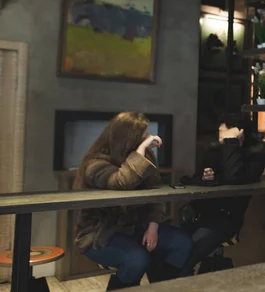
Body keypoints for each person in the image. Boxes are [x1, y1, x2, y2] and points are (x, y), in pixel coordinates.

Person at [73, 112, 192, 290]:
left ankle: (164, 285)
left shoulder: (142, 158)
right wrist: (142, 150)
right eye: (143, 135)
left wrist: (153, 226)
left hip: (137, 227)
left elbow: (155, 196)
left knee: (181, 243)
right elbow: (122, 182)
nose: (148, 137)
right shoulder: (95, 164)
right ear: (129, 139)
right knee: (136, 259)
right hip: (101, 233)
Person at [181, 114, 265, 274]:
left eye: (223, 131)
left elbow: (234, 176)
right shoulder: (216, 150)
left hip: (226, 218)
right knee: (173, 248)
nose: (219, 135)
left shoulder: (254, 155)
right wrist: (205, 176)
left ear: (238, 132)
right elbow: (196, 177)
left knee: (187, 254)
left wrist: (231, 142)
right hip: (201, 213)